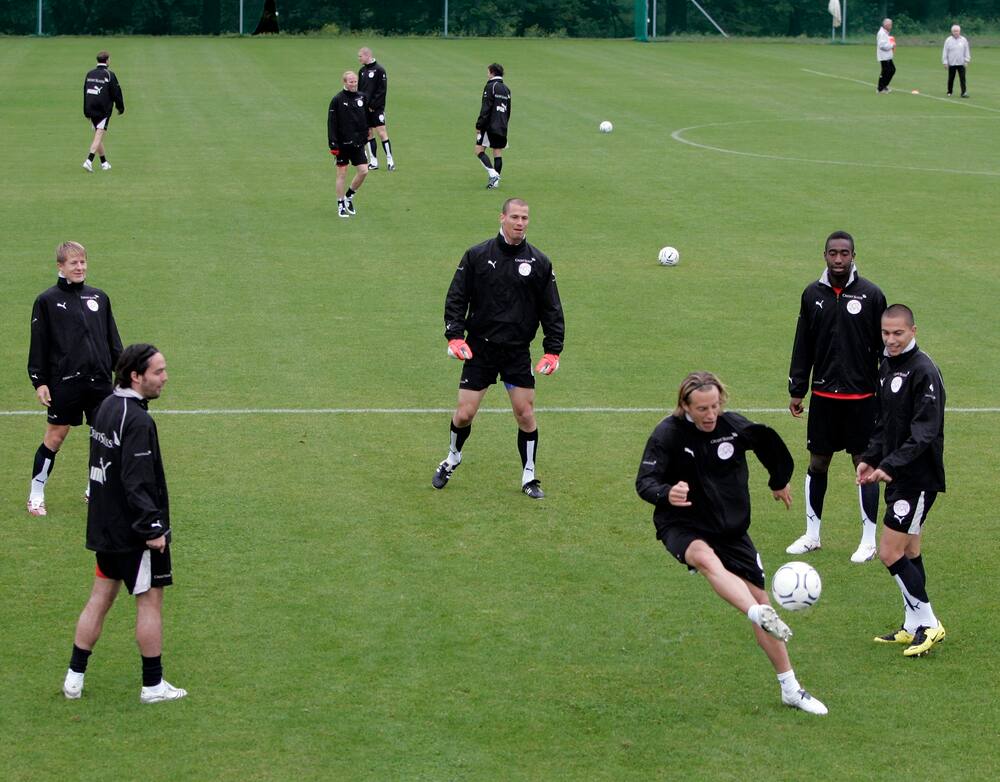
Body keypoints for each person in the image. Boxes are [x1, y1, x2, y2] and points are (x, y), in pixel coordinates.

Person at [636, 372, 827, 715]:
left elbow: (768, 442)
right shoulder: (668, 434)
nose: (710, 415)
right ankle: (756, 613)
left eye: (714, 406)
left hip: (730, 530)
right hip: (682, 522)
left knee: (761, 601)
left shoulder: (732, 426)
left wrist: (778, 480)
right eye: (701, 409)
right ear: (685, 406)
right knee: (705, 559)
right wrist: (667, 493)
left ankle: (791, 689)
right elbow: (644, 481)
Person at [62, 344, 187, 703]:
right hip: (135, 535)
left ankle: (74, 677)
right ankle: (152, 685)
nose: (165, 378)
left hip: (105, 531)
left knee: (99, 600)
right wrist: (153, 530)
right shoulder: (138, 420)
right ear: (136, 375)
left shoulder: (105, 407)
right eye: (158, 372)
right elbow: (136, 481)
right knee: (149, 603)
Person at [432, 198, 564, 499]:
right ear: (502, 218)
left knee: (525, 413)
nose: (520, 223)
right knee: (464, 414)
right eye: (515, 217)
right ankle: (452, 457)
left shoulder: (539, 262)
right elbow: (456, 297)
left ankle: (529, 475)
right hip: (480, 349)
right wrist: (455, 336)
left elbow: (552, 309)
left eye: (525, 218)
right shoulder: (477, 255)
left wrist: (552, 350)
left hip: (517, 351)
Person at [786, 231, 887, 562]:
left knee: (865, 465)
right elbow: (804, 343)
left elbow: (885, 349)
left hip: (862, 398)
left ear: (854, 255)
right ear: (824, 255)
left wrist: (886, 391)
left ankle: (869, 540)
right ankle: (812, 535)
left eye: (845, 253)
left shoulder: (872, 296)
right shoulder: (811, 294)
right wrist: (797, 388)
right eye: (833, 253)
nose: (839, 259)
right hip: (824, 396)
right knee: (818, 462)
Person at [857, 305, 947, 657]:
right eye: (885, 333)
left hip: (917, 478)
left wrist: (891, 465)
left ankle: (930, 622)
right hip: (898, 474)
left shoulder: (924, 370)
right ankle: (913, 626)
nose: (890, 340)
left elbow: (925, 431)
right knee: (910, 551)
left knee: (889, 552)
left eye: (898, 333)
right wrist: (869, 458)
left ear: (913, 331)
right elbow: (884, 424)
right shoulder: (886, 366)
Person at [27, 241, 123, 517]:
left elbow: (112, 340)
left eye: (83, 262)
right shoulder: (46, 301)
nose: (80, 267)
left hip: (100, 382)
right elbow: (39, 344)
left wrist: (125, 374)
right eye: (73, 263)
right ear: (60, 267)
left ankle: (95, 489)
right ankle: (36, 494)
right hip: (65, 382)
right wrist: (40, 381)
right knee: (55, 437)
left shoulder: (99, 297)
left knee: (103, 437)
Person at [328, 71, 370, 219]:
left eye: (355, 81)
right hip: (342, 145)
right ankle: (340, 204)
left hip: (358, 143)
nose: (353, 84)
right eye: (351, 81)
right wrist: (333, 144)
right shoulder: (337, 99)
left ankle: (349, 196)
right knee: (342, 174)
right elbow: (331, 123)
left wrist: (367, 134)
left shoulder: (362, 97)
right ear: (344, 82)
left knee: (364, 171)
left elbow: (366, 118)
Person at [82, 51, 125, 172]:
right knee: (99, 134)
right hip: (103, 109)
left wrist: (85, 110)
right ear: (107, 61)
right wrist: (120, 107)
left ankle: (104, 163)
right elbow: (116, 92)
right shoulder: (109, 74)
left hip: (90, 108)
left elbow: (85, 91)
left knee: (97, 134)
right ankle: (89, 161)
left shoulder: (89, 73)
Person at [357, 47, 395, 171]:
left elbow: (382, 90)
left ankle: (390, 160)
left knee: (382, 133)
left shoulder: (379, 70)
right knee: (368, 134)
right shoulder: (362, 71)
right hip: (365, 109)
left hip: (376, 108)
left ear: (367, 55)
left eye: (360, 56)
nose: (359, 58)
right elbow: (360, 91)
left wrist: (373, 105)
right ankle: (373, 161)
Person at [474, 64, 511, 190]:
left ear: (492, 72)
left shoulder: (491, 86)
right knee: (497, 152)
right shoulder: (506, 89)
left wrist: (479, 125)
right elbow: (508, 110)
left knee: (479, 150)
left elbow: (486, 107)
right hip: (502, 125)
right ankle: (495, 183)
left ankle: (493, 174)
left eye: (488, 71)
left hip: (489, 125)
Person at [942, 25, 971, 98]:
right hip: (952, 63)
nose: (956, 32)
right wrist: (945, 62)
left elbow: (966, 51)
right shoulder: (948, 40)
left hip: (961, 63)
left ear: (959, 31)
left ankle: (963, 92)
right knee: (951, 78)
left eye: (957, 31)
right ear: (952, 32)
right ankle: (949, 91)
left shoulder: (963, 40)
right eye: (954, 31)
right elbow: (945, 51)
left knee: (963, 78)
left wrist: (966, 61)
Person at [876, 19, 896, 94]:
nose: (891, 26)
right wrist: (892, 45)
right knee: (885, 71)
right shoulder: (882, 33)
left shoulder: (885, 33)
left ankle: (884, 86)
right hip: (884, 56)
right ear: (886, 25)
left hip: (888, 56)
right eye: (890, 24)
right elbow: (881, 45)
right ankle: (880, 88)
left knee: (892, 70)